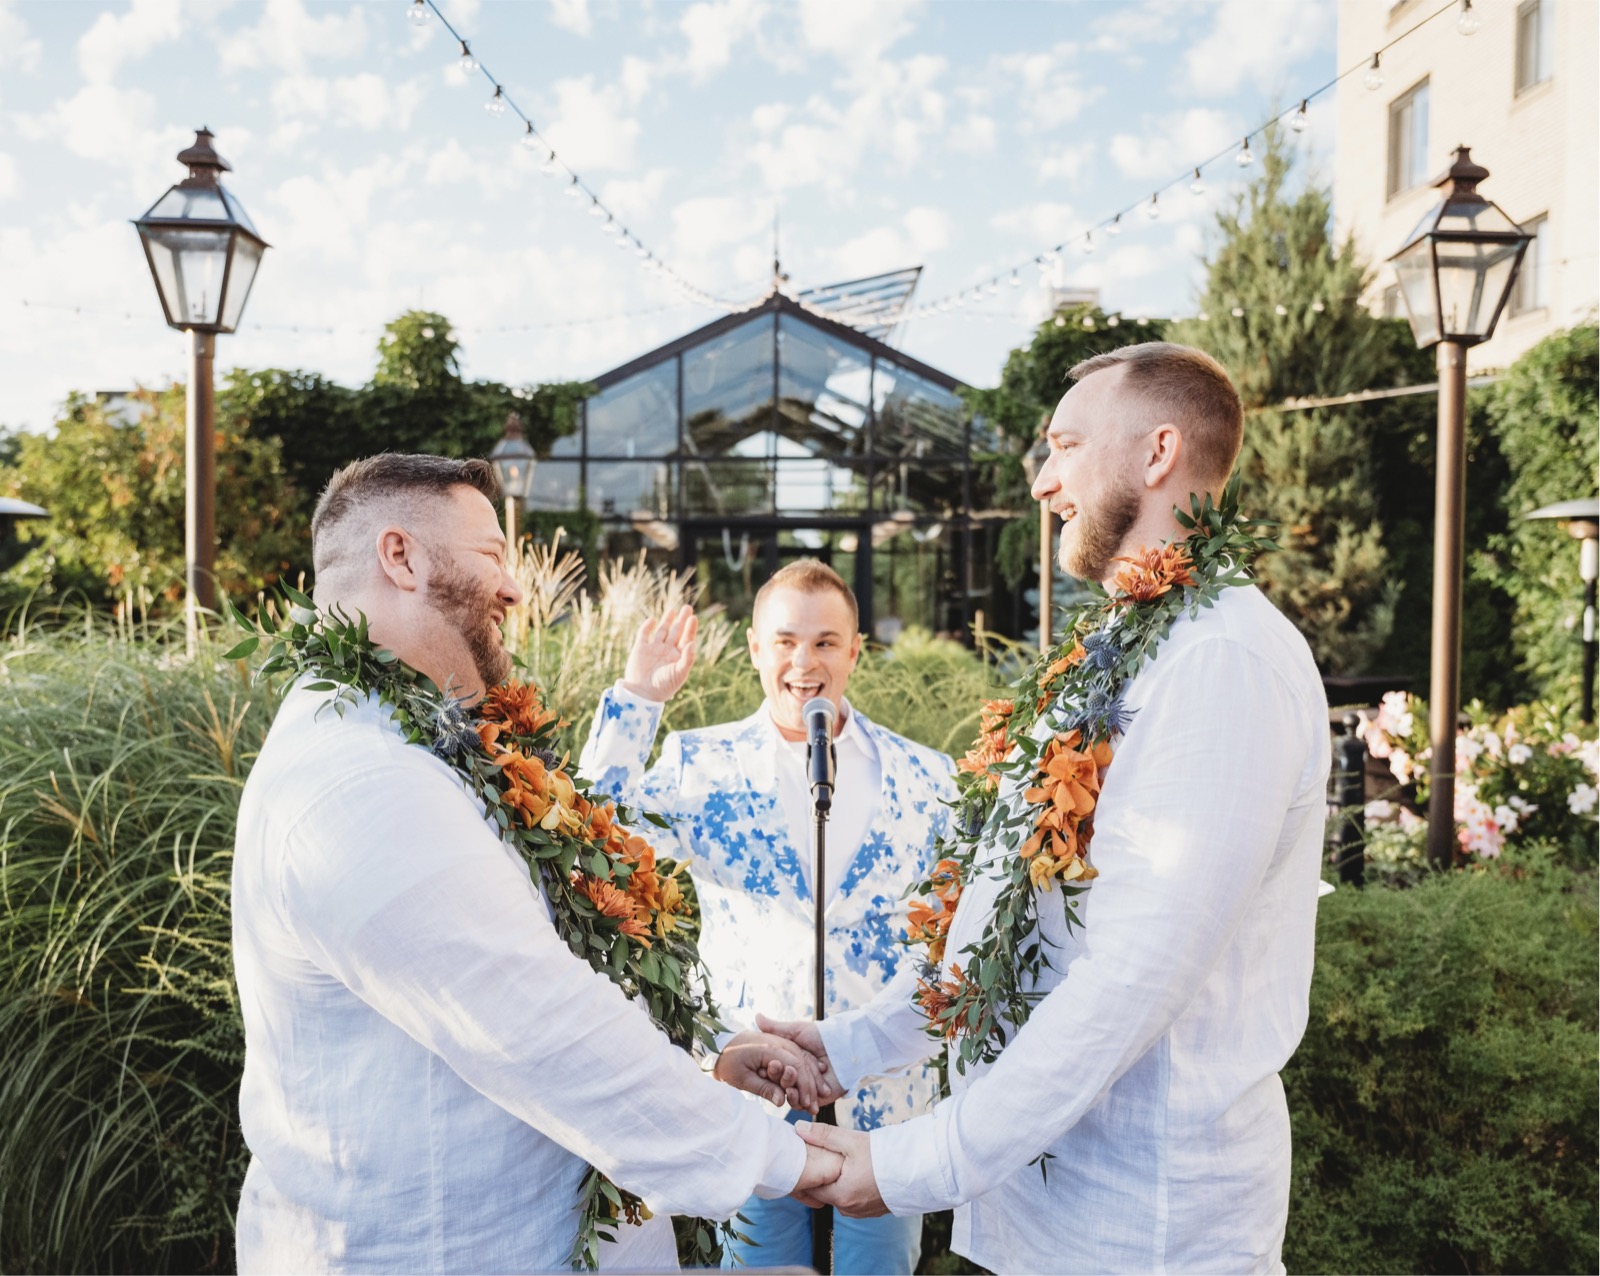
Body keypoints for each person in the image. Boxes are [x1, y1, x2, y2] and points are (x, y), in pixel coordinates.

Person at [771, 343, 1332, 1274]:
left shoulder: (1220, 660)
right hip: (1039, 1222)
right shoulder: (1120, 653)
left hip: (1141, 1234)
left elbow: (1129, 982)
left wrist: (921, 1160)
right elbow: (1006, 922)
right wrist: (846, 1048)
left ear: (1156, 455)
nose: (1042, 482)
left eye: (1064, 445)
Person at [231, 454, 840, 1275]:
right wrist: (793, 1160)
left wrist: (710, 1050)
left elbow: (570, 947)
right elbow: (541, 1026)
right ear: (400, 557)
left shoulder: (438, 741)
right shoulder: (359, 778)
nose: (516, 589)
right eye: (491, 557)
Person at [577, 560, 956, 1274]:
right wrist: (636, 701)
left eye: (824, 642)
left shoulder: (928, 777)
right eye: (784, 641)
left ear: (853, 651)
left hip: (885, 1100)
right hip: (755, 1098)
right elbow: (592, 836)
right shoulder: (701, 765)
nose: (803, 663)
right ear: (755, 647)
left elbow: (947, 930)